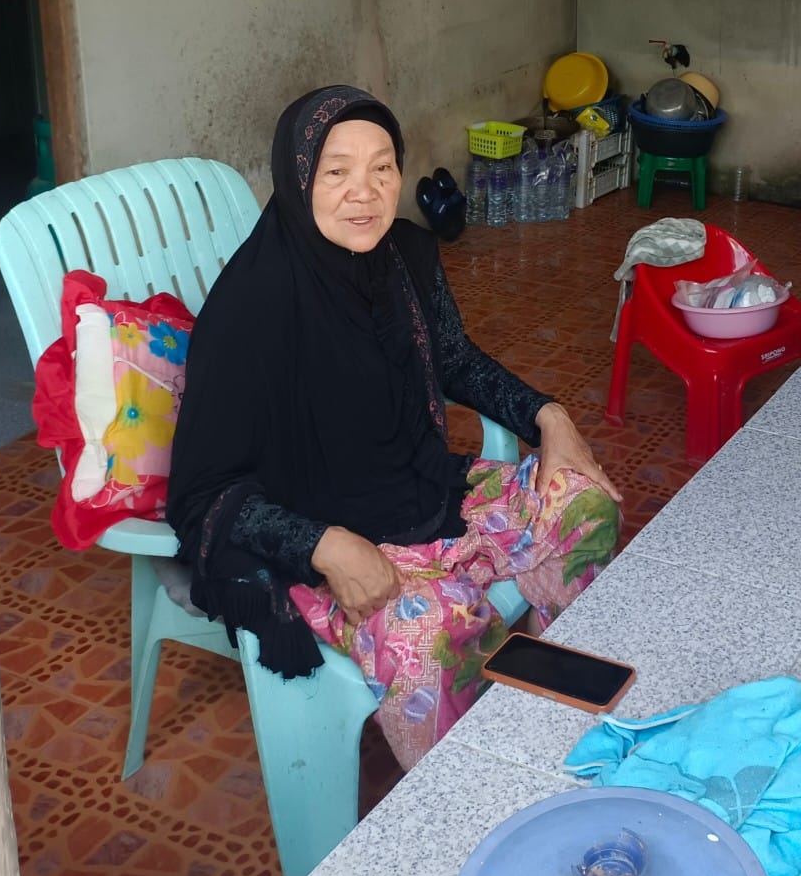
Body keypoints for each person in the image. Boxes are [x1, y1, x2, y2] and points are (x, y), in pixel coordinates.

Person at [167, 85, 622, 771]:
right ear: (297, 179)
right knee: (429, 636)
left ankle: (554, 723)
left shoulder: (404, 255)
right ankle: (462, 795)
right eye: (337, 171)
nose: (366, 192)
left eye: (383, 168)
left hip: (427, 493)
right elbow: (203, 494)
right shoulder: (250, 307)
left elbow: (454, 359)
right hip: (321, 548)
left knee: (584, 504)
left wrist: (548, 417)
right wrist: (324, 545)